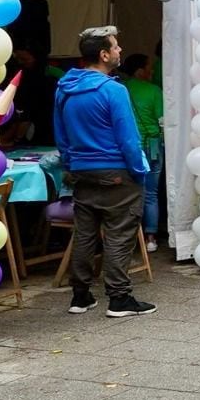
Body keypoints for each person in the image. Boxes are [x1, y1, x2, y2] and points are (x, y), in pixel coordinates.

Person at [56, 27, 155, 318]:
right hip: (116, 170)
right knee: (119, 235)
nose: (120, 50)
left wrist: (71, 164)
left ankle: (81, 295)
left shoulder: (64, 88)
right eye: (116, 47)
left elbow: (61, 135)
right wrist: (138, 171)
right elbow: (128, 138)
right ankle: (119, 298)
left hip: (82, 170)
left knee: (85, 234)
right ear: (103, 54)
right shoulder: (113, 89)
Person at [118, 54, 164, 252]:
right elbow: (163, 122)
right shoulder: (154, 90)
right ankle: (150, 237)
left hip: (128, 148)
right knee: (151, 194)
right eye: (148, 68)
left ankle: (126, 236)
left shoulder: (120, 89)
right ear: (139, 71)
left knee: (128, 193)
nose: (151, 72)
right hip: (152, 147)